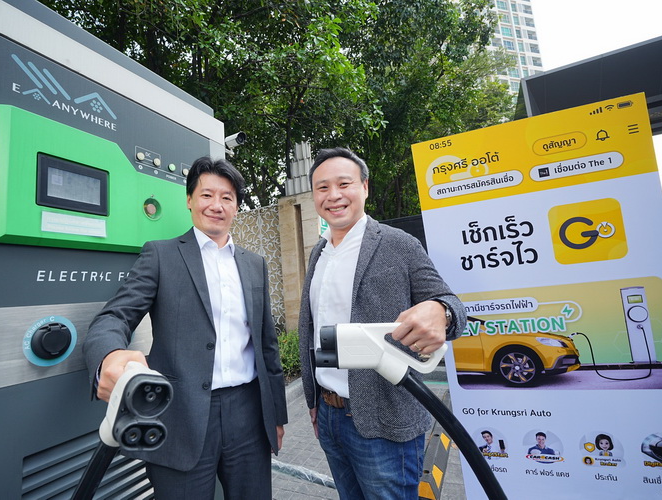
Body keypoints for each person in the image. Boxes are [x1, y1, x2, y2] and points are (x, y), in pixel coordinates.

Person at [83, 156, 288, 500]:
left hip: (249, 415)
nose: (216, 205)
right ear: (190, 200)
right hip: (181, 416)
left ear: (236, 207)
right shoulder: (161, 256)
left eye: (227, 197)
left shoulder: (254, 264)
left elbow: (268, 347)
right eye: (207, 195)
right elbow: (113, 317)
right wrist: (110, 354)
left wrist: (276, 416)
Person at [297, 147, 466, 499]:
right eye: (322, 187)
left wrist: (441, 311)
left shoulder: (398, 244)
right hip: (328, 415)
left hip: (385, 421)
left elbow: (451, 304)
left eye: (344, 184)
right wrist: (314, 400)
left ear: (364, 187)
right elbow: (312, 329)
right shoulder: (318, 252)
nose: (333, 195)